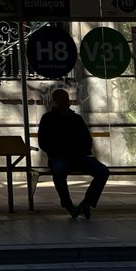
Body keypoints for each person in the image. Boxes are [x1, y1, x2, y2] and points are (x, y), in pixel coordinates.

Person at [37, 87, 110, 219]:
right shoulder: (48, 119)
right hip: (59, 156)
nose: (67, 102)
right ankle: (69, 204)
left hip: (78, 156)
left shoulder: (76, 119)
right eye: (63, 99)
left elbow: (87, 139)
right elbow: (43, 142)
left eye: (67, 99)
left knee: (103, 171)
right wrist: (58, 151)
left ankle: (86, 203)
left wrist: (82, 151)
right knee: (59, 172)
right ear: (56, 101)